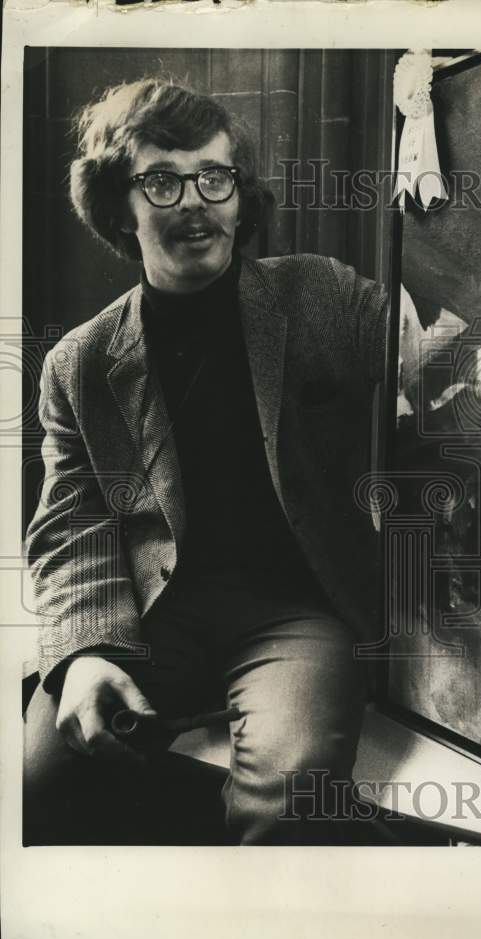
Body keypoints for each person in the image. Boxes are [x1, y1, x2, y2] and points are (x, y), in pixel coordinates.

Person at [23, 78, 388, 845]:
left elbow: (434, 358)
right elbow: (70, 528)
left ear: (237, 193)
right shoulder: (78, 364)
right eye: (161, 180)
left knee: (290, 795)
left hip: (299, 612)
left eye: (213, 176)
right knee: (39, 783)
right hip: (152, 615)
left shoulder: (321, 296)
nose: (194, 201)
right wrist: (85, 655)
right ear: (120, 205)